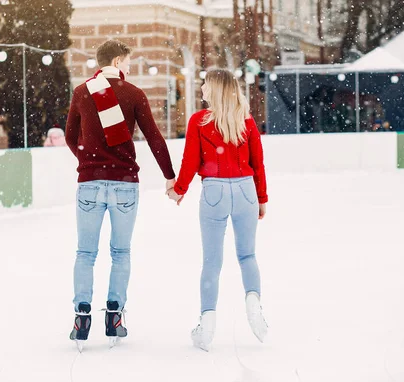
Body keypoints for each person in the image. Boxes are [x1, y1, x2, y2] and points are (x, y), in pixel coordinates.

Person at [65, 40, 176, 349]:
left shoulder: (82, 92)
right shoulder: (134, 94)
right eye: (127, 63)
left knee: (85, 253)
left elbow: (71, 136)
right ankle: (114, 314)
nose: (129, 69)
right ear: (116, 60)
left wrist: (88, 162)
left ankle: (81, 315)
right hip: (125, 183)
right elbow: (154, 137)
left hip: (89, 183)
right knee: (121, 253)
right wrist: (170, 176)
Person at [167, 68, 268, 351]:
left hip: (214, 191)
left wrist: (179, 189)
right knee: (247, 255)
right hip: (246, 189)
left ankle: (207, 323)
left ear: (214, 89)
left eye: (204, 84)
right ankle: (253, 304)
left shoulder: (199, 121)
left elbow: (190, 161)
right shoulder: (245, 121)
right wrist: (261, 198)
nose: (201, 88)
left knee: (212, 262)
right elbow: (258, 163)